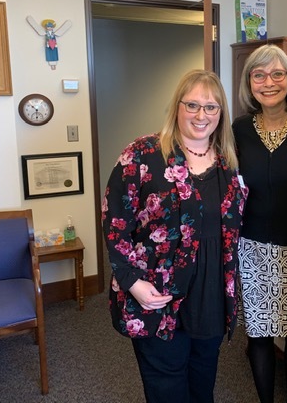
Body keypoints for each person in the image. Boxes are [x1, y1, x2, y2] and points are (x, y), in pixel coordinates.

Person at [101, 69, 248, 403]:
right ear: (177, 107)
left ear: (221, 112)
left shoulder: (230, 160)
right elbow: (115, 222)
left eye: (211, 107)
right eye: (192, 105)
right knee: (166, 387)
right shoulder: (142, 153)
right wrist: (132, 282)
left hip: (210, 294)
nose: (201, 115)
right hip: (156, 293)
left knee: (202, 382)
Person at [232, 44, 287, 403]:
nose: (269, 83)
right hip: (251, 249)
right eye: (259, 75)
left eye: (278, 74)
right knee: (259, 335)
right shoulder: (239, 129)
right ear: (249, 82)